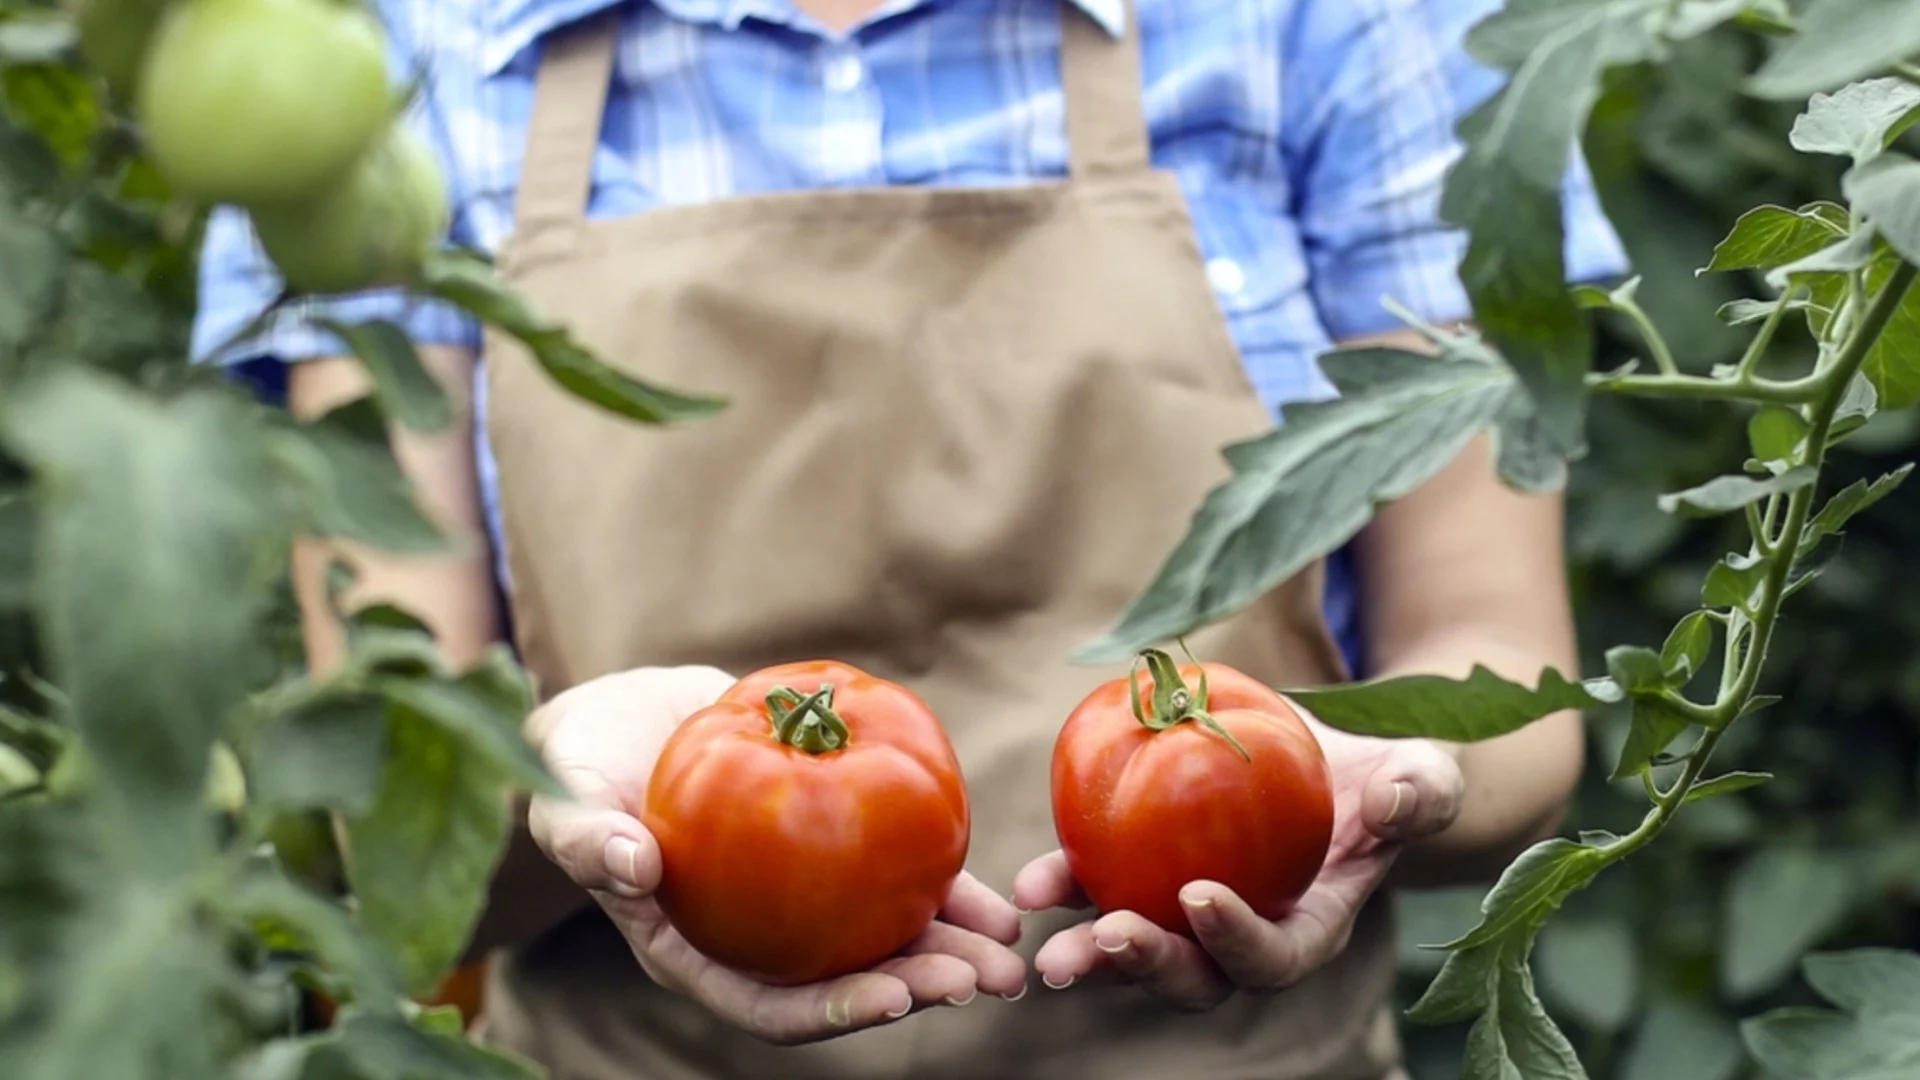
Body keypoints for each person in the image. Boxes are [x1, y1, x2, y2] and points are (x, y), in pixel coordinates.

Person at [195, 0, 1626, 1076]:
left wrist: (1392, 771)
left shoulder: (1349, 20)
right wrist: (543, 785)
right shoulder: (370, 61)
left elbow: (1503, 674)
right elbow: (377, 807)